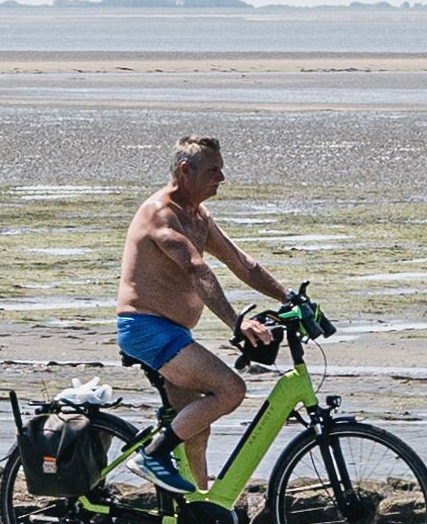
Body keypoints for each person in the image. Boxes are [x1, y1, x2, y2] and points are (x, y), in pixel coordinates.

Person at [112, 136, 298, 485]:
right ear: (185, 170)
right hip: (146, 329)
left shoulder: (197, 216)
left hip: (173, 333)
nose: (222, 178)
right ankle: (152, 455)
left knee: (195, 431)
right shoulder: (160, 214)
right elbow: (196, 269)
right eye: (214, 170)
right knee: (230, 389)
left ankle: (199, 513)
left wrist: (289, 297)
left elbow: (242, 263)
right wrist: (236, 322)